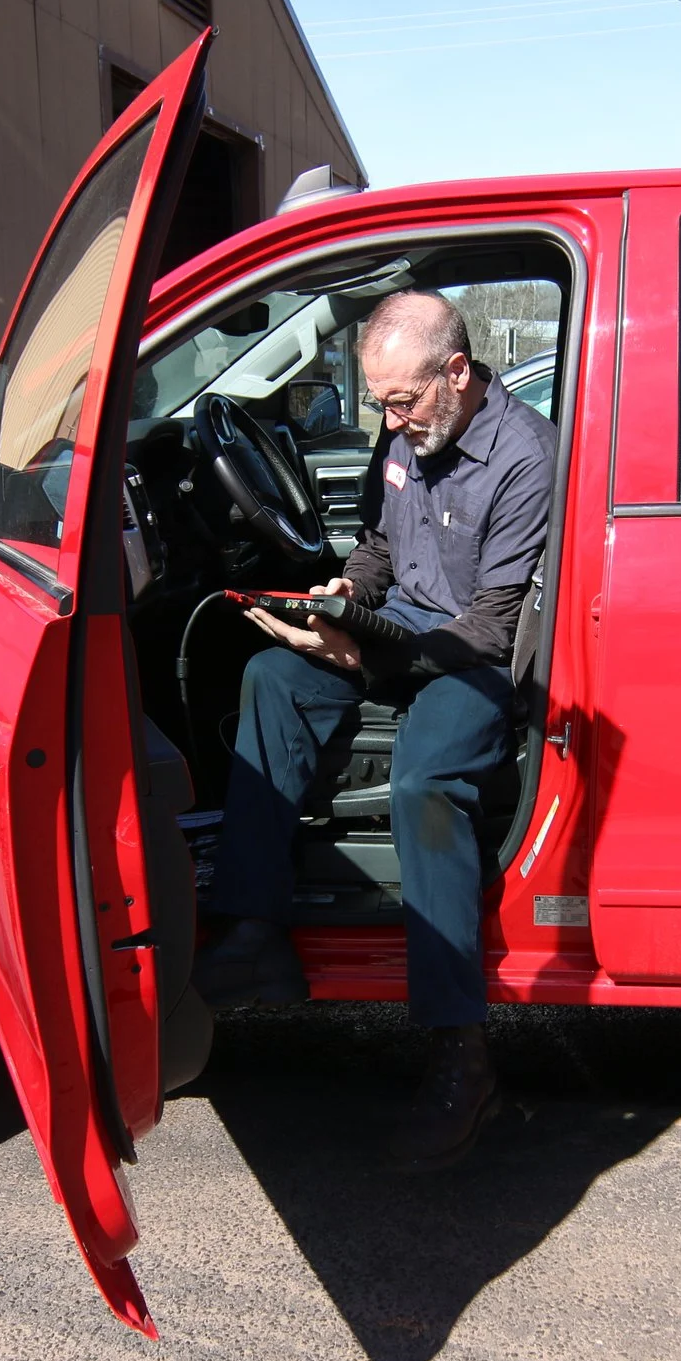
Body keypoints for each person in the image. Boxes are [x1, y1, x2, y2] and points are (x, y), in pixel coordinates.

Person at [193, 290, 558, 1169]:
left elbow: (494, 625)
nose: (390, 422)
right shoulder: (400, 443)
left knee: (424, 782)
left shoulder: (524, 457)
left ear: (457, 372)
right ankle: (254, 933)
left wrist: (375, 657)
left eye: (402, 401)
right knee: (270, 677)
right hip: (389, 633)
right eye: (380, 402)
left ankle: (461, 1060)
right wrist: (343, 600)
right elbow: (379, 550)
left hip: (466, 662)